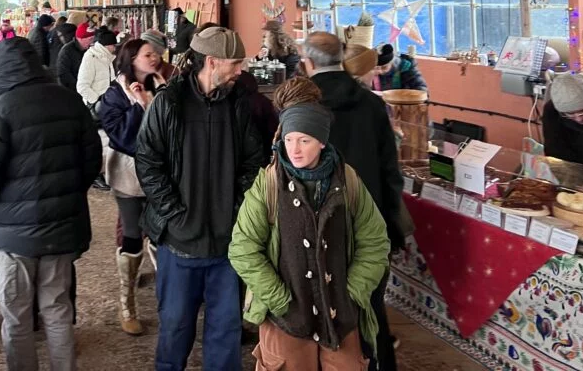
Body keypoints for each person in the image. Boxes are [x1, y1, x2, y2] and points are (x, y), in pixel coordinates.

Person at [136, 26, 266, 371]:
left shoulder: (240, 105)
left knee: (226, 332)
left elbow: (255, 162)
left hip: (227, 246)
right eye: (235, 63)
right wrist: (173, 212)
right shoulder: (168, 104)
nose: (241, 70)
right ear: (212, 62)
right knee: (176, 329)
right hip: (179, 244)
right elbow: (148, 162)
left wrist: (238, 207)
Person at [0, 38, 102, 371]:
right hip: (60, 230)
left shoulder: (1, 109)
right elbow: (91, 162)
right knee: (57, 312)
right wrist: (68, 196)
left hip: (13, 237)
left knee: (16, 318)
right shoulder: (70, 102)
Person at [229, 94, 390, 371]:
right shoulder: (267, 185)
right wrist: (279, 299)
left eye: (304, 140)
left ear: (322, 141)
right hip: (286, 320)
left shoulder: (348, 182)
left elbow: (375, 242)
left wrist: (351, 292)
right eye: (289, 139)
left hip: (339, 319)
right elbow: (243, 249)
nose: (295, 149)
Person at [301, 32, 405, 371]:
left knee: (320, 310)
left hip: (316, 228)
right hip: (369, 225)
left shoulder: (302, 108)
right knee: (372, 309)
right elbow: (391, 172)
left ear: (309, 63)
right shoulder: (372, 104)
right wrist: (391, 227)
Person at [98, 39, 165, 336]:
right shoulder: (114, 94)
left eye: (156, 53)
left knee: (165, 234)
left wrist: (163, 95)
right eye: (148, 54)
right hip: (129, 175)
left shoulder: (162, 84)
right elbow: (124, 138)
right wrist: (139, 107)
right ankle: (127, 304)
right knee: (132, 234)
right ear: (131, 59)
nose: (155, 58)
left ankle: (170, 298)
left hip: (163, 174)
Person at [542, 73, 583, 168]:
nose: (579, 118)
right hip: (576, 171)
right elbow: (554, 150)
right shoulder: (552, 112)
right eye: (570, 114)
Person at [76, 28, 118, 112]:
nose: (115, 49)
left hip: (109, 103)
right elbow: (82, 86)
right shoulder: (90, 57)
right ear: (107, 45)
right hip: (96, 106)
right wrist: (98, 100)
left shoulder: (108, 57)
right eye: (114, 46)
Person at [56, 22, 94, 92]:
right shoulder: (66, 51)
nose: (92, 42)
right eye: (90, 39)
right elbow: (64, 75)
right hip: (72, 92)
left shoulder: (91, 50)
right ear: (81, 38)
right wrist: (80, 88)